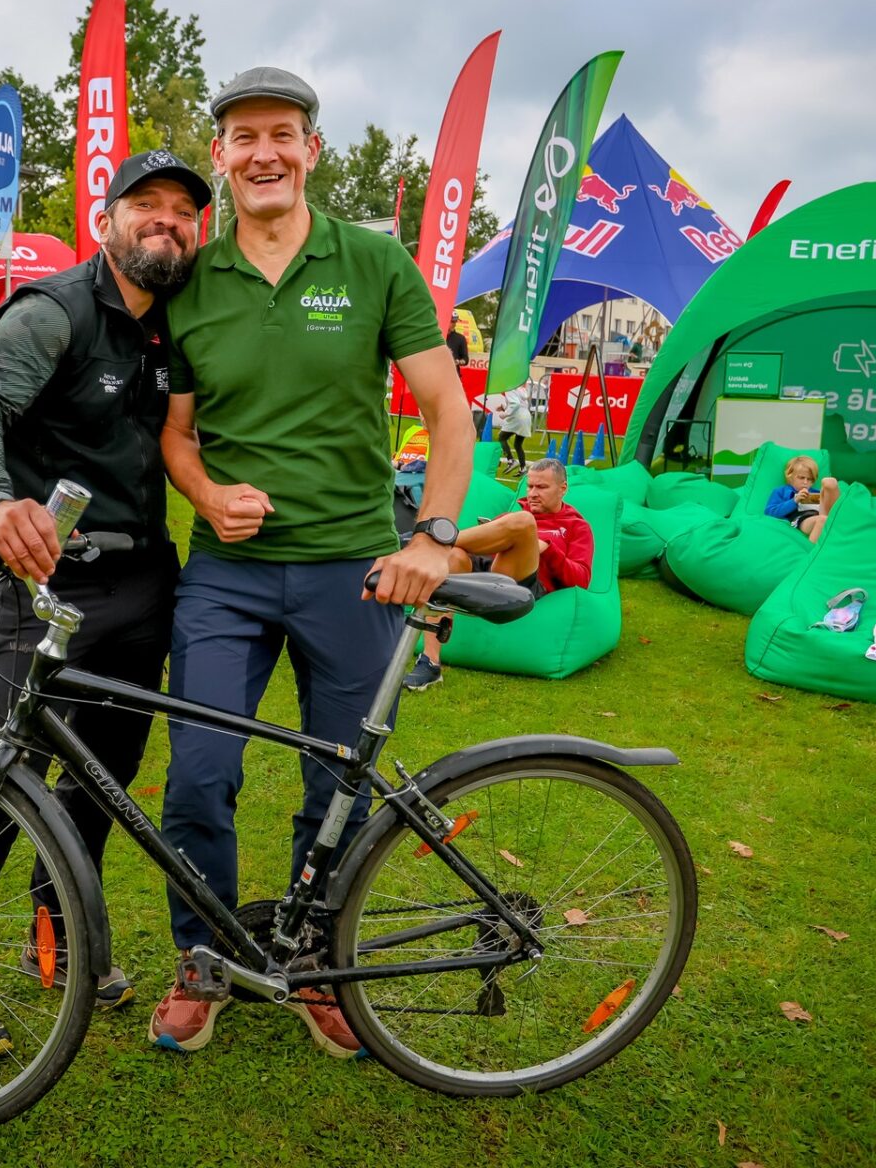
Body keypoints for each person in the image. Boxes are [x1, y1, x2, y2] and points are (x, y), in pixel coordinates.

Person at [152, 66, 470, 1058]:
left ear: (311, 150)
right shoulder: (191, 279)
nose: (265, 153)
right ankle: (204, 957)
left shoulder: (373, 262)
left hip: (353, 571)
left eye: (282, 134)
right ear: (221, 155)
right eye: (244, 137)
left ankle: (317, 960)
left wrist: (433, 536)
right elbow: (176, 434)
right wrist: (207, 495)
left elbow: (447, 409)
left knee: (341, 787)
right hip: (227, 575)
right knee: (198, 775)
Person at [0, 150, 208, 1063]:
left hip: (145, 580)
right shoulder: (56, 310)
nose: (166, 221)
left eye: (184, 210)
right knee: (6, 779)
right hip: (49, 582)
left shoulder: (180, 321)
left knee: (103, 778)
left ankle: (58, 927)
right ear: (106, 220)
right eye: (146, 204)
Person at [403, 457, 593, 690]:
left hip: (521, 583)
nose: (533, 494)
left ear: (563, 488)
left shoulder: (576, 526)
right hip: (486, 570)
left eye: (542, 487)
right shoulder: (511, 515)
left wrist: (548, 549)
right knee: (454, 557)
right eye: (530, 486)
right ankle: (430, 663)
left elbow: (582, 578)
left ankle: (432, 540)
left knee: (523, 522)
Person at [763, 454, 841, 543]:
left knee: (829, 485)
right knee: (822, 520)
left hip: (823, 514)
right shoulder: (782, 491)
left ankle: (831, 486)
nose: (805, 482)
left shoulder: (816, 492)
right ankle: (810, 549)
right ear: (790, 476)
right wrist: (794, 501)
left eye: (810, 479)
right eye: (801, 478)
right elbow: (770, 512)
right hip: (801, 520)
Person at [491, 380, 534, 471]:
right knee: (518, 444)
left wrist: (505, 414)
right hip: (526, 417)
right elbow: (519, 404)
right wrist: (504, 407)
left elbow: (515, 404)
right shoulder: (519, 389)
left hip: (517, 418)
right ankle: (523, 468)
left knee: (502, 437)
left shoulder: (509, 389)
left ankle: (511, 460)